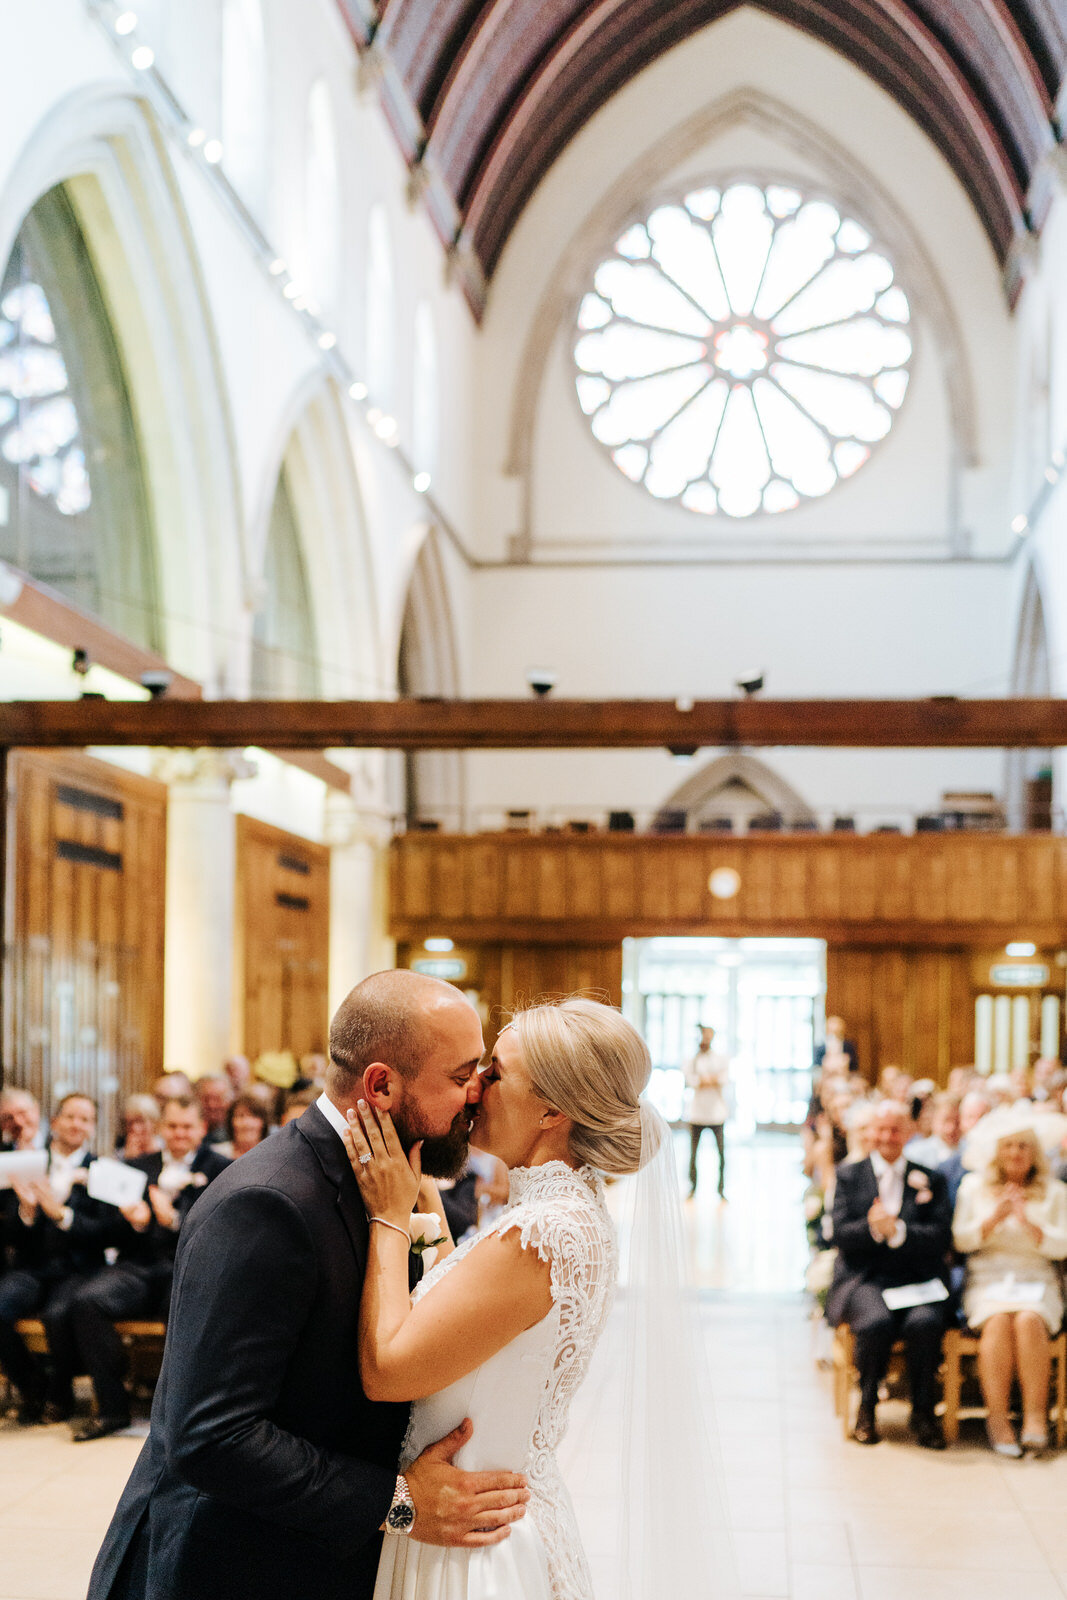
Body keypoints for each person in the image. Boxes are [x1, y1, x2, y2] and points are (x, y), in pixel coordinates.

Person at [87, 971, 533, 1600]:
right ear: (381, 1084)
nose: (474, 1097)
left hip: (315, 1556)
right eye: (461, 1077)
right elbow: (212, 1435)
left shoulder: (394, 1181)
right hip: (227, 1566)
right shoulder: (268, 1204)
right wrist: (400, 1502)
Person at [342, 995, 667, 1600]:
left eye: (495, 1072)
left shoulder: (538, 1232)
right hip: (494, 1515)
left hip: (468, 1541)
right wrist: (425, 1201)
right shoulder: (563, 1212)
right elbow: (466, 1321)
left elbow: (388, 1370)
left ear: (551, 1109)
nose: (475, 1089)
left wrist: (388, 1217)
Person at [63, 1096, 230, 1441]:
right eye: (172, 1126)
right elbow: (107, 1228)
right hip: (138, 1267)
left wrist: (175, 1220)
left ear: (201, 1129)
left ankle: (177, 1415)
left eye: (186, 1126)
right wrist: (135, 1224)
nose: (179, 1133)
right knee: (87, 1302)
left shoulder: (220, 1168)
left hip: (187, 1269)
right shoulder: (138, 1166)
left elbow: (222, 1228)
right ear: (160, 1129)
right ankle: (112, 1408)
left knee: (184, 1308)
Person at [826, 1101, 952, 1449]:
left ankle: (924, 1412)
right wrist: (873, 1229)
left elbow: (941, 1236)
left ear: (908, 1133)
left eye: (895, 1129)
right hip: (866, 1277)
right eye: (880, 1129)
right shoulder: (849, 1176)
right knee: (875, 1322)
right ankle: (867, 1408)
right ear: (869, 1133)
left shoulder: (931, 1178)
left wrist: (899, 1232)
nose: (887, 1136)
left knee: (925, 1324)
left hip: (918, 1280)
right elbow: (839, 1235)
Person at [953, 1115, 1067, 1455]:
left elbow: (1062, 1244)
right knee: (999, 1321)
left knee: (1030, 1320)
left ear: (1034, 1153)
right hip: (988, 1277)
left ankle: (1034, 1417)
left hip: (1036, 1278)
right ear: (996, 1153)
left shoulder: (1056, 1191)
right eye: (1009, 1146)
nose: (1016, 1153)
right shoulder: (973, 1187)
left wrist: (1028, 1223)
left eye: (1023, 1146)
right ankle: (998, 1419)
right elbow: (961, 1239)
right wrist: (994, 1219)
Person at [0, 1093, 117, 1424]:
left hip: (79, 1269)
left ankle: (60, 1394)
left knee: (57, 1314)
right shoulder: (30, 1162)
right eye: (70, 1117)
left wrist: (63, 1215)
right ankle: (31, 1385)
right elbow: (10, 1232)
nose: (76, 1124)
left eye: (84, 1119)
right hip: (32, 1268)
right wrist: (25, 1210)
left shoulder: (101, 1169)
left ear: (92, 1127)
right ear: (54, 1122)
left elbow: (107, 1230)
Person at [683, 1023, 729, 1199]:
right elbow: (692, 1081)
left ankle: (721, 1188)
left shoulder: (720, 1058)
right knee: (693, 1154)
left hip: (717, 1114)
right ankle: (693, 1186)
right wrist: (709, 1079)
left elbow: (722, 1079)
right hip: (697, 1114)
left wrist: (705, 1080)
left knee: (721, 1154)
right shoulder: (693, 1059)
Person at [216, 1092, 272, 1157]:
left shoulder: (273, 1155)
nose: (246, 1123)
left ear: (263, 1122)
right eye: (240, 1116)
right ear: (231, 1121)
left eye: (253, 1116)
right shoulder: (218, 1154)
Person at [115, 1094, 162, 1159]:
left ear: (154, 1122)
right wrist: (129, 1158)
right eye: (130, 1123)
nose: (135, 1128)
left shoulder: (165, 1149)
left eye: (140, 1121)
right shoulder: (120, 1155)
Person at [193, 1074, 233, 1145]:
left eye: (218, 1099)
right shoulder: (187, 1131)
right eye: (206, 1099)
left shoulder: (236, 1132)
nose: (212, 1105)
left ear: (229, 1101)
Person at [0, 1086, 44, 1150]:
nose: (18, 1122)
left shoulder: (57, 1145)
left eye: (22, 1113)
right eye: (9, 1118)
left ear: (36, 1110)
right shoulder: (3, 1153)